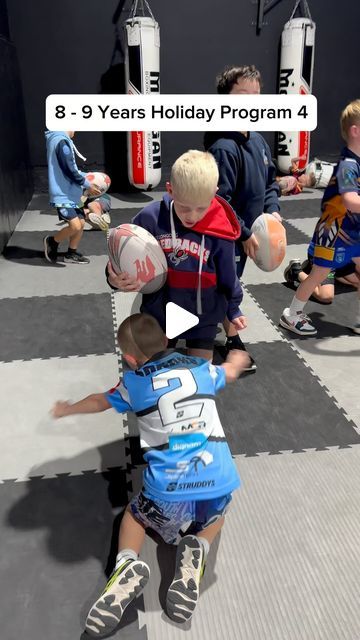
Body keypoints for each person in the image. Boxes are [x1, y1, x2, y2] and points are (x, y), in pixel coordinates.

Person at [52, 313, 250, 635]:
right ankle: (198, 547)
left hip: (168, 490)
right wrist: (239, 358)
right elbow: (229, 371)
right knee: (216, 516)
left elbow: (100, 401)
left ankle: (127, 563)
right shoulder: (200, 369)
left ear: (130, 359)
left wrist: (68, 409)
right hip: (218, 478)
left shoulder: (134, 383)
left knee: (134, 516)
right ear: (167, 341)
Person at [107, 150, 247, 363]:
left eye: (201, 208)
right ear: (171, 190)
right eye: (184, 208)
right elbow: (123, 252)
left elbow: (228, 275)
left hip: (204, 314)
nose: (192, 216)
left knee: (202, 376)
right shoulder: (151, 218)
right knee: (151, 369)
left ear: (214, 194)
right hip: (161, 311)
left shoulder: (221, 231)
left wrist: (234, 308)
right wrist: (113, 277)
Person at [204, 65, 282, 369]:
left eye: (256, 95)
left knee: (231, 282)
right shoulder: (223, 147)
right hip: (227, 235)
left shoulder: (259, 142)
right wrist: (245, 232)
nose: (250, 101)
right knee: (224, 284)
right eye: (241, 95)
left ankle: (222, 329)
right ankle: (228, 338)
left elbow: (270, 182)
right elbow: (219, 201)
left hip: (247, 235)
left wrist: (272, 211)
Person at [280, 99, 360, 336]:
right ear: (355, 131)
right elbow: (349, 200)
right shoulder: (348, 166)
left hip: (352, 232)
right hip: (333, 233)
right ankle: (292, 314)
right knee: (319, 275)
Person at [44, 130, 99, 264]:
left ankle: (71, 254)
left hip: (72, 193)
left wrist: (89, 177)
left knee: (80, 223)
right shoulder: (60, 141)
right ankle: (52, 241)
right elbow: (70, 170)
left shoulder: (61, 140)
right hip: (63, 195)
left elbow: (71, 168)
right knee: (74, 225)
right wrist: (87, 184)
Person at [284, 256, 358, 304]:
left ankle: (313, 270)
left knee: (355, 281)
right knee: (326, 296)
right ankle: (296, 271)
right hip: (326, 256)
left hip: (346, 258)